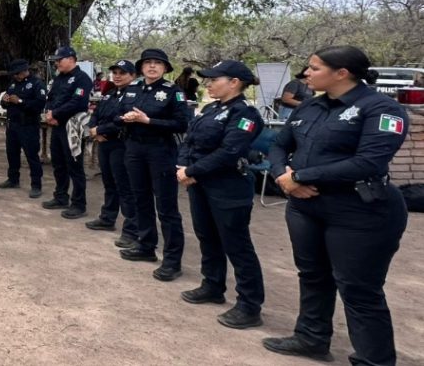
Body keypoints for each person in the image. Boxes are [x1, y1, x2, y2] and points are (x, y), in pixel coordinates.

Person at [262, 46, 410, 365]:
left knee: (358, 288)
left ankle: (374, 360)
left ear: (341, 73)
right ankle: (311, 338)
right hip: (306, 207)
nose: (306, 74)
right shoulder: (310, 107)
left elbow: (369, 162)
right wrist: (283, 177)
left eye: (314, 68)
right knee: (313, 274)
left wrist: (299, 175)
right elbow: (279, 144)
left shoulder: (382, 110)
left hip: (359, 210)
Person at [176, 61, 266, 330]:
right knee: (207, 236)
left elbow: (229, 152)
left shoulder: (245, 114)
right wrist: (183, 167)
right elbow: (189, 140)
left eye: (214, 79)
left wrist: (192, 170)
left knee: (236, 245)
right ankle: (212, 285)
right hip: (200, 182)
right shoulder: (211, 109)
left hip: (227, 187)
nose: (208, 84)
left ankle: (250, 306)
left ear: (234, 82)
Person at [118, 48, 191, 282]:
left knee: (166, 207)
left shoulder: (173, 92)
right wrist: (125, 118)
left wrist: (148, 120)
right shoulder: (132, 88)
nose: (152, 67)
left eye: (157, 63)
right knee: (141, 199)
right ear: (141, 67)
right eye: (148, 63)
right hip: (134, 148)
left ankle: (172, 260)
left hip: (160, 150)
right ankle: (146, 245)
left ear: (165, 68)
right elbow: (119, 113)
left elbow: (182, 124)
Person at [85, 60, 140, 247]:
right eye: (115, 72)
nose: (117, 76)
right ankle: (107, 218)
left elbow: (123, 121)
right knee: (109, 183)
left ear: (133, 76)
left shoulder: (134, 95)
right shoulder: (110, 94)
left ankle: (132, 230)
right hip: (104, 143)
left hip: (121, 144)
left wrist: (101, 129)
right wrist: (94, 129)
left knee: (124, 187)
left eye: (122, 73)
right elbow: (96, 113)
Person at [40, 47, 93, 213]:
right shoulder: (59, 78)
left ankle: (78, 204)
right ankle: (61, 196)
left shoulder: (82, 78)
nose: (57, 63)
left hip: (73, 127)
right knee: (58, 164)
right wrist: (49, 113)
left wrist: (55, 113)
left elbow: (77, 102)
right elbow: (51, 97)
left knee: (74, 166)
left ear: (71, 59)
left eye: (59, 60)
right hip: (57, 125)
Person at [0, 59, 47, 196]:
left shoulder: (36, 84)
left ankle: (36, 185)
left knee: (31, 156)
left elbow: (39, 104)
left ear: (24, 71)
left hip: (28, 126)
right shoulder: (12, 84)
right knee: (12, 154)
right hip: (12, 124)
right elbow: (4, 102)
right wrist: (5, 101)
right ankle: (13, 179)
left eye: (16, 73)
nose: (14, 76)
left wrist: (20, 101)